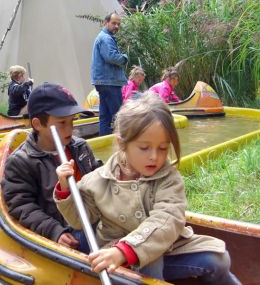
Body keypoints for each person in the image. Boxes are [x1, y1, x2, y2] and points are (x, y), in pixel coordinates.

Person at [54, 94, 241, 284]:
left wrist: (126, 250)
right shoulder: (97, 180)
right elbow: (80, 220)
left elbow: (167, 219)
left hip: (167, 246)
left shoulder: (168, 178)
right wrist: (65, 189)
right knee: (152, 262)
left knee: (218, 259)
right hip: (115, 254)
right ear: (122, 144)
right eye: (144, 148)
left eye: (162, 148)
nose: (154, 157)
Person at [3, 82, 102, 253]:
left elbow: (98, 175)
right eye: (62, 122)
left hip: (93, 216)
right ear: (37, 124)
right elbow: (22, 207)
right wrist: (54, 231)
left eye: (72, 121)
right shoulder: (21, 162)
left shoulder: (80, 147)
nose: (70, 128)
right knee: (90, 238)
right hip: (67, 229)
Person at [91, 12, 128, 136]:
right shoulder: (106, 38)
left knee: (105, 116)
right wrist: (124, 58)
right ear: (105, 23)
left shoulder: (103, 37)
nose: (116, 26)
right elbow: (111, 57)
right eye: (114, 23)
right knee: (119, 114)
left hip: (103, 81)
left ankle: (104, 140)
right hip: (109, 81)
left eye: (118, 24)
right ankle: (124, 142)